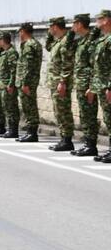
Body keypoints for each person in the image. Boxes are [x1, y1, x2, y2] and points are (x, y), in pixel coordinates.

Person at [71, 13, 101, 156]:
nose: (72, 27)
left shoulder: (91, 41)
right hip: (81, 84)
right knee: (84, 115)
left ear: (80, 24)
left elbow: (94, 65)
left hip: (87, 85)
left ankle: (91, 145)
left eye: (74, 24)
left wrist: (91, 87)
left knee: (89, 115)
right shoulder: (82, 41)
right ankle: (88, 144)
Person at [45, 17, 76, 151]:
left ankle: (67, 140)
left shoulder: (65, 42)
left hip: (60, 83)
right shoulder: (58, 41)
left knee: (63, 112)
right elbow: (48, 46)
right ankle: (64, 139)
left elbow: (67, 64)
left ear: (55, 27)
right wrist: (48, 34)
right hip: (55, 82)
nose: (49, 29)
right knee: (59, 112)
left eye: (50, 27)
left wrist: (63, 82)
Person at [88, 10, 111, 162]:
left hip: (108, 86)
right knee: (108, 119)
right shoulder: (103, 39)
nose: (96, 22)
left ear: (107, 20)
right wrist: (93, 86)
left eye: (99, 19)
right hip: (101, 85)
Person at [16, 23, 43, 142]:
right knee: (28, 106)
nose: (19, 34)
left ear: (23, 31)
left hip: (28, 81)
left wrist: (25, 83)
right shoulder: (32, 44)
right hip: (29, 80)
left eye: (20, 31)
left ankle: (32, 133)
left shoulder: (29, 45)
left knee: (29, 106)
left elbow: (28, 66)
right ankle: (30, 132)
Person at [0, 33, 21, 139]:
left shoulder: (11, 53)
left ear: (3, 40)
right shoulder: (4, 53)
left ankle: (13, 130)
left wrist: (11, 84)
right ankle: (10, 129)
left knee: (11, 108)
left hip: (8, 85)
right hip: (3, 85)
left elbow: (13, 70)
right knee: (6, 108)